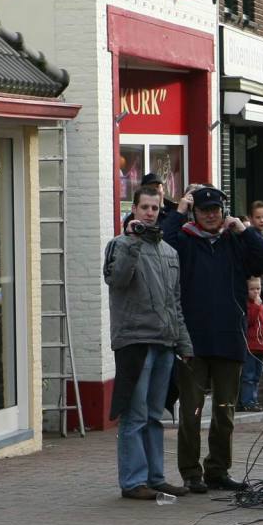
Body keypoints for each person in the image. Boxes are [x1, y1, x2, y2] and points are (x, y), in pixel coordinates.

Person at [162, 186, 263, 492]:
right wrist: (178, 211)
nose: (211, 215)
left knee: (225, 411)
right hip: (193, 342)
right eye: (204, 211)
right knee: (192, 412)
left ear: (223, 211)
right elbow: (163, 241)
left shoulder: (235, 241)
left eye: (215, 210)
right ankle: (191, 473)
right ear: (195, 213)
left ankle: (218, 470)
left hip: (229, 339)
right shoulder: (184, 241)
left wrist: (245, 231)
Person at [103, 186, 192, 500]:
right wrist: (132, 243)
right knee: (135, 414)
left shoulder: (170, 252)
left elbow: (175, 303)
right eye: (145, 207)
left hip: (165, 343)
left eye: (155, 208)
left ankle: (156, 477)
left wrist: (184, 344)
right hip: (134, 342)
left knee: (155, 415)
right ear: (134, 209)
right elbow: (116, 281)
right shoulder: (119, 244)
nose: (150, 213)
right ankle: (133, 481)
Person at [238, 277, 263, 412]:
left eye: (258, 288)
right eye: (252, 289)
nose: (256, 292)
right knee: (248, 376)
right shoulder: (248, 305)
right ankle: (247, 401)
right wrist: (256, 306)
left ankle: (254, 400)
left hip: (260, 347)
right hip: (251, 347)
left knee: (257, 376)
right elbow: (249, 321)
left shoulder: (261, 305)